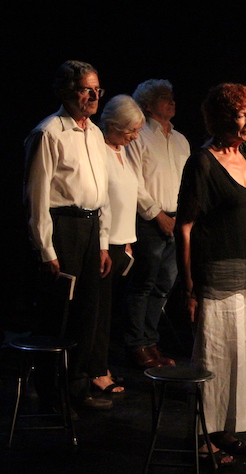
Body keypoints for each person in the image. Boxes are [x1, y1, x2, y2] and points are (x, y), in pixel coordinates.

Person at [176, 83, 246, 463]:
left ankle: (228, 430)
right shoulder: (202, 162)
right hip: (215, 274)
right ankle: (204, 436)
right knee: (215, 357)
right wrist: (190, 287)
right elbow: (185, 227)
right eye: (241, 114)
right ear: (223, 118)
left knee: (244, 358)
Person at [24, 60, 113, 411]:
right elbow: (37, 196)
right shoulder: (48, 132)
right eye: (85, 89)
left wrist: (104, 241)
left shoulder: (95, 132)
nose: (93, 96)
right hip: (63, 228)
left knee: (88, 311)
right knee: (59, 311)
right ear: (66, 92)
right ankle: (49, 390)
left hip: (90, 228)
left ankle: (77, 386)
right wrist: (46, 249)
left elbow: (101, 191)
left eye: (97, 89)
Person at [125, 79, 190, 368]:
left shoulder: (180, 140)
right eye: (164, 97)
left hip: (177, 221)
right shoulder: (138, 137)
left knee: (164, 285)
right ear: (148, 105)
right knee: (142, 285)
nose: (172, 101)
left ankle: (151, 343)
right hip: (148, 221)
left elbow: (188, 183)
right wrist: (157, 215)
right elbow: (133, 182)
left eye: (172, 96)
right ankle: (135, 345)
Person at [90, 95, 146, 394]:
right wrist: (108, 243)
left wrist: (127, 242)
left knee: (108, 311)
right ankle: (96, 371)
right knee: (97, 311)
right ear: (112, 125)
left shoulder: (122, 151)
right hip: (103, 242)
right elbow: (102, 201)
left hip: (121, 242)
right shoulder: (99, 149)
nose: (134, 136)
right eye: (130, 131)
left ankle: (103, 366)